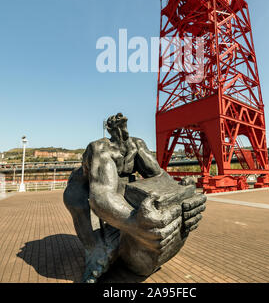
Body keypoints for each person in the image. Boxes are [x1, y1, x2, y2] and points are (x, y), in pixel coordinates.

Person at [64, 113, 206, 282]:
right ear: (109, 129)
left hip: (118, 184)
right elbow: (101, 196)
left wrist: (180, 192)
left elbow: (157, 175)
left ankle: (120, 241)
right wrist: (135, 223)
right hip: (83, 187)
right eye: (115, 123)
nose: (120, 122)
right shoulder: (100, 149)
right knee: (77, 202)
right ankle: (95, 253)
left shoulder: (136, 145)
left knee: (124, 200)